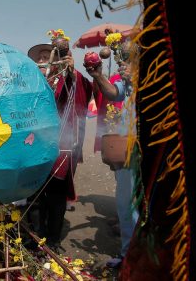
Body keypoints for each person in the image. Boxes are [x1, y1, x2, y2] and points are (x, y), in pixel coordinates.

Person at [27, 42, 93, 251]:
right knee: (34, 193)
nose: (43, 60)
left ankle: (53, 239)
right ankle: (36, 234)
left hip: (60, 144)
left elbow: (82, 91)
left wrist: (73, 72)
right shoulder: (31, 82)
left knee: (55, 194)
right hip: (34, 144)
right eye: (40, 57)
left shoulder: (65, 79)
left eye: (48, 56)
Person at [85, 42, 139, 269]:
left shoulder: (155, 77)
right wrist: (98, 76)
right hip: (127, 150)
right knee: (125, 204)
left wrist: (137, 79)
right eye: (122, 57)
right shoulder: (124, 80)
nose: (124, 62)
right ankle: (129, 256)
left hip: (152, 151)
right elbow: (113, 94)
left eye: (129, 57)